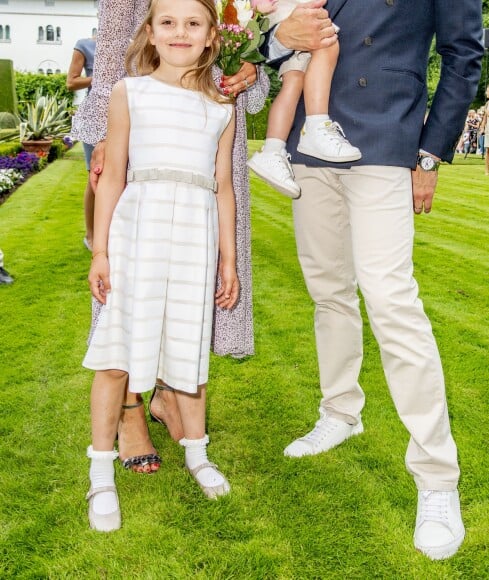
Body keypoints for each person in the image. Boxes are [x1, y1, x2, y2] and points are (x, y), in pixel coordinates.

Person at [264, 0, 483, 561]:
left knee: (390, 299)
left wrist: (430, 155)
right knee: (327, 292)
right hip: (310, 141)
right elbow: (279, 35)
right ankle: (339, 412)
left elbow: (463, 54)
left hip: (388, 137)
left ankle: (437, 477)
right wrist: (277, 36)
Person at [72, 0, 269, 473]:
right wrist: (100, 249)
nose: (180, 33)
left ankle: (187, 431)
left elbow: (225, 185)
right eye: (168, 24)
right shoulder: (129, 91)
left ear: (210, 36)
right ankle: (119, 428)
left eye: (193, 25)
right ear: (153, 32)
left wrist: (228, 258)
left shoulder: (220, 108)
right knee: (124, 326)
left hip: (194, 223)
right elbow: (115, 172)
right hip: (140, 220)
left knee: (187, 327)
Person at [247, 0, 360, 199]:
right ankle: (317, 125)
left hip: (281, 15)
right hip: (293, 13)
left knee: (294, 79)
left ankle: (272, 150)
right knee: (327, 43)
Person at [67, 33, 97, 251]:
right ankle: (90, 235)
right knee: (95, 176)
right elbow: (71, 82)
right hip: (94, 115)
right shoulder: (85, 45)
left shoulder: (134, 41)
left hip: (126, 111)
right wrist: (100, 79)